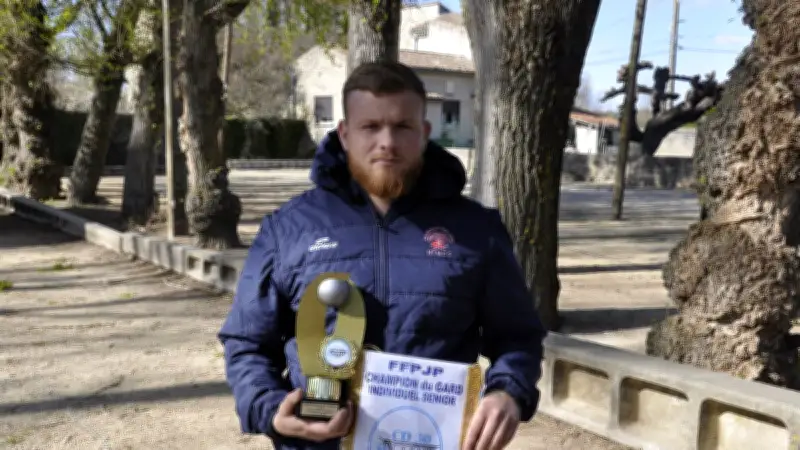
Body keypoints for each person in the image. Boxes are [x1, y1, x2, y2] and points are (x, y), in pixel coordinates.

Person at [218, 61, 547, 450]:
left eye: (402, 126)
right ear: (344, 134)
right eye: (370, 127)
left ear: (424, 133)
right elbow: (247, 342)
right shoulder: (287, 229)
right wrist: (270, 408)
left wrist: (508, 391)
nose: (387, 141)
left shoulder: (478, 231)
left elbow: (518, 337)